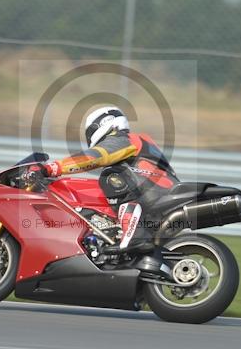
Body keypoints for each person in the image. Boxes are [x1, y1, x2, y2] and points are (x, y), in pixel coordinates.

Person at [34, 106, 179, 254]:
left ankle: (134, 235)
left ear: (105, 122)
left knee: (110, 176)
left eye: (91, 131)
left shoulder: (122, 139)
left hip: (158, 191)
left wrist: (53, 168)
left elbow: (96, 156)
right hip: (160, 189)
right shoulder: (134, 142)